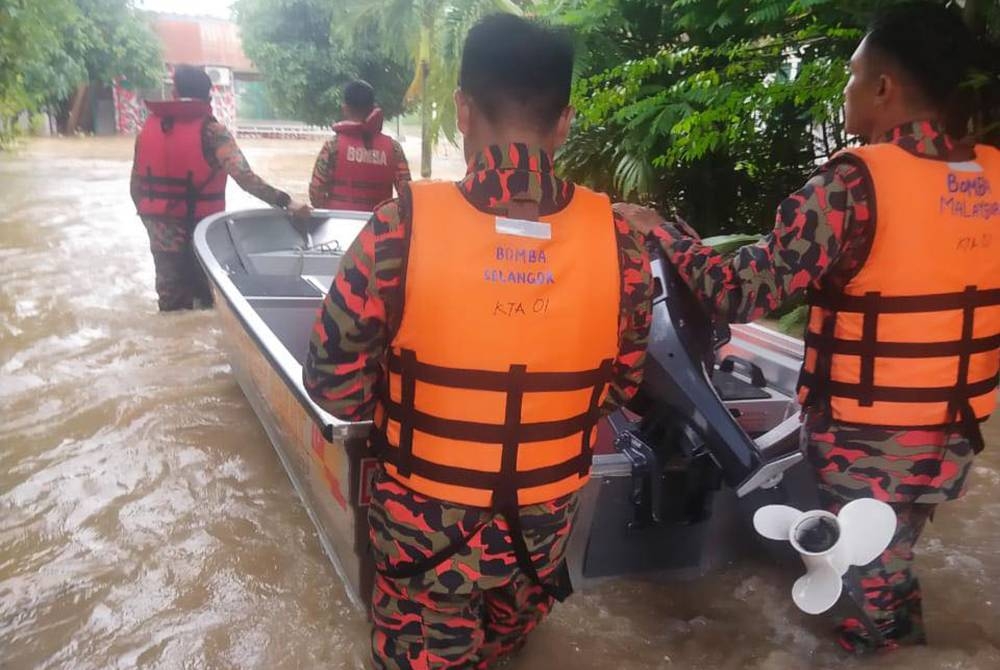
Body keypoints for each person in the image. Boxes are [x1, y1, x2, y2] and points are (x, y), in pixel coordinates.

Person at [618, 1, 1000, 654]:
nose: (847, 91)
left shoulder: (855, 187)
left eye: (853, 77)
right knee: (889, 565)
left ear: (884, 88)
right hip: (952, 432)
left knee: (853, 591)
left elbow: (740, 292)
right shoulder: (989, 174)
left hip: (871, 436)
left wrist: (664, 237)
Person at [303, 14, 655, 669]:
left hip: (422, 532)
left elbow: (332, 384)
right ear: (565, 122)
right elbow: (618, 389)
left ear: (463, 111)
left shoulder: (401, 226)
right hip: (541, 533)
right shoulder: (623, 244)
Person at [130, 65, 309, 311]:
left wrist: (154, 222)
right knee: (206, 299)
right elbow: (244, 177)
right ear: (208, 96)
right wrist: (286, 201)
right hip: (202, 228)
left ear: (174, 93)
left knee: (171, 303)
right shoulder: (214, 132)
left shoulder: (147, 130)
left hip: (161, 227)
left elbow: (136, 186)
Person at [308, 80, 410, 211]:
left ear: (345, 108)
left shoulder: (332, 146)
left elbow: (316, 194)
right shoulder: (394, 148)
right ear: (373, 108)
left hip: (338, 225)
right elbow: (407, 196)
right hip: (377, 228)